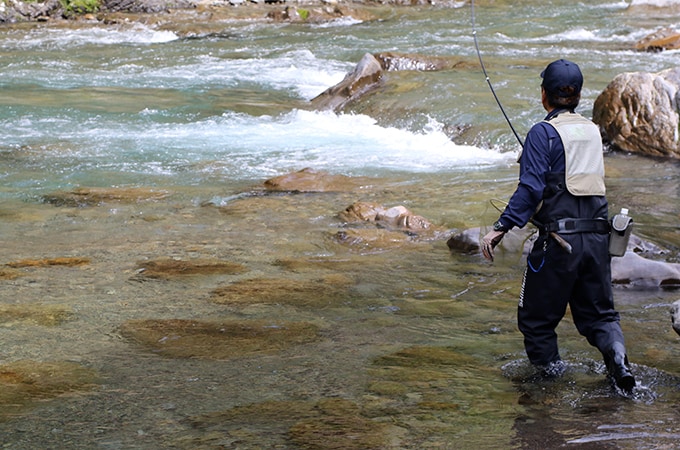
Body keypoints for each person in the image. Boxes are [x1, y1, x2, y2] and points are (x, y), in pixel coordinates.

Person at [481, 59, 635, 392]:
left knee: (536, 321)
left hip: (558, 243)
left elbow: (531, 188)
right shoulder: (593, 131)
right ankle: (619, 363)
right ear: (578, 96)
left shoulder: (542, 133)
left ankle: (549, 392)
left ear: (544, 95)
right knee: (600, 318)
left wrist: (500, 227)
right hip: (598, 240)